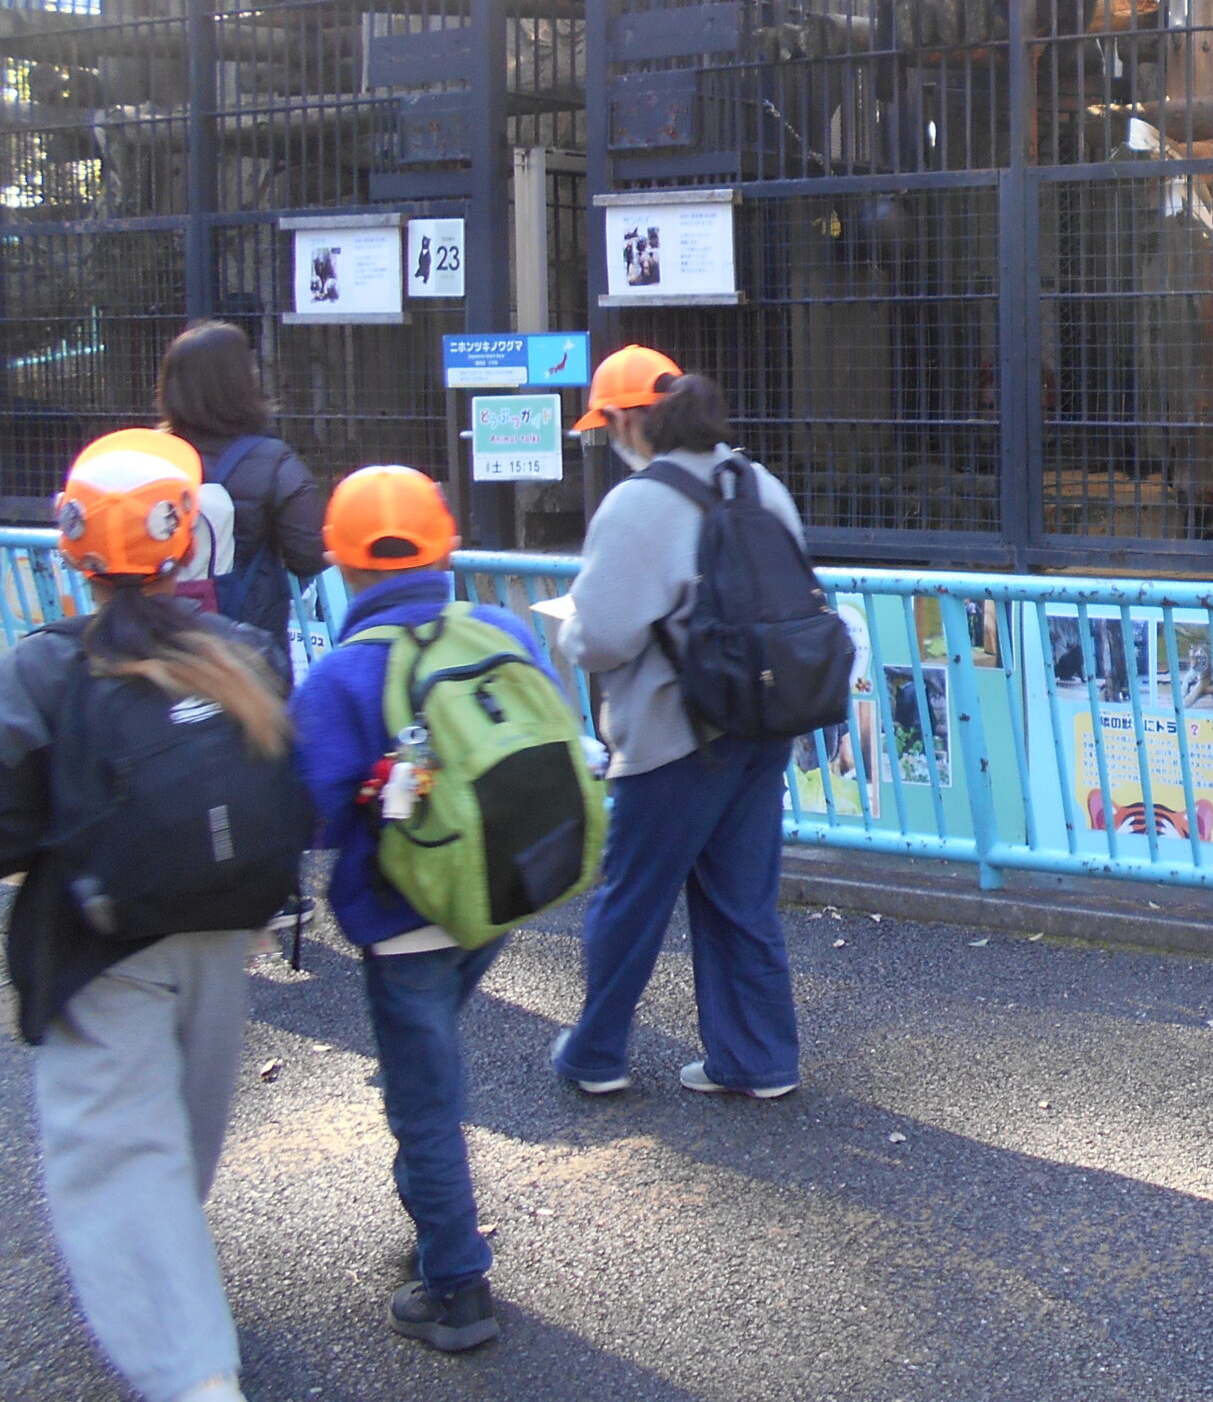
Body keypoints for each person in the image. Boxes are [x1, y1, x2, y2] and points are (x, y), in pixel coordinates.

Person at [0, 431, 301, 1402]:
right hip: (224, 929)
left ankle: (191, 1372)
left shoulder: (45, 670)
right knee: (183, 1129)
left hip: (103, 945)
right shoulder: (244, 653)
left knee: (120, 1150)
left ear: (73, 547)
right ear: (185, 543)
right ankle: (173, 1299)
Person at [287, 466, 565, 1353]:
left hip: (401, 910)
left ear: (341, 562)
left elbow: (313, 811)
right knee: (430, 1069)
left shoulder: (340, 676)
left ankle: (456, 1287)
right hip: (497, 891)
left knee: (424, 1101)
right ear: (446, 549)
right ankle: (430, 1218)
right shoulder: (499, 629)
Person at [547, 348, 805, 1100]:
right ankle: (757, 1059)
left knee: (631, 900)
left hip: (674, 733)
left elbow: (602, 638)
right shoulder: (758, 483)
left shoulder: (637, 504)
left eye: (607, 426)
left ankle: (596, 1054)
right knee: (742, 902)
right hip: (764, 719)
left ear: (628, 421)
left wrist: (569, 630)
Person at [156, 320, 327, 641]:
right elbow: (308, 554)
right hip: (245, 640)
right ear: (240, 383)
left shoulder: (148, 457)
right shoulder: (272, 460)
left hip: (157, 637)